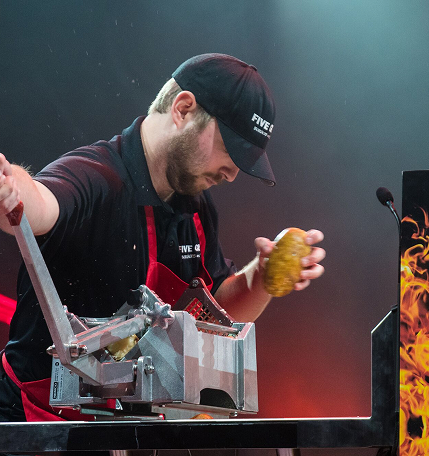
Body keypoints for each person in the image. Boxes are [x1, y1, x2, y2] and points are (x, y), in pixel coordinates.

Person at [0, 53, 325, 423]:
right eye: (231, 149)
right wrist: (10, 189)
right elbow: (40, 202)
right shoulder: (97, 177)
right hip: (35, 425)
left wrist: (260, 279)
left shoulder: (197, 208)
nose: (233, 173)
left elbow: (216, 314)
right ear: (183, 109)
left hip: (127, 430)